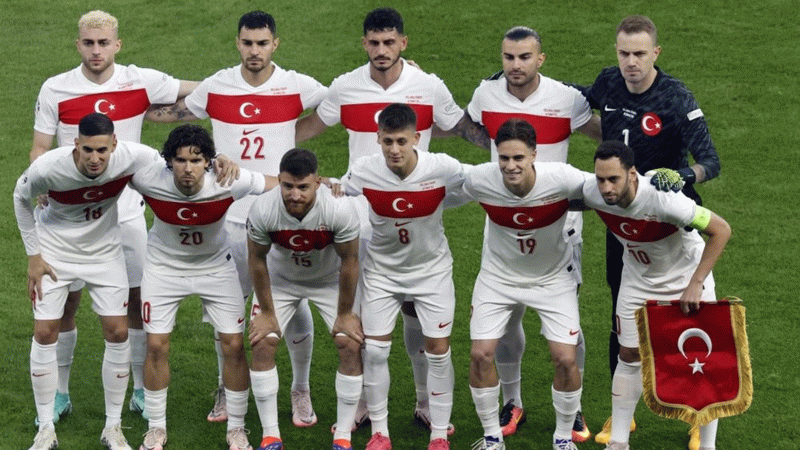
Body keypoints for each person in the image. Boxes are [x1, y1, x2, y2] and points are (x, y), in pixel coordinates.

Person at [295, 7, 485, 434]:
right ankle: (364, 402)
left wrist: (514, 157)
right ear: (364, 43)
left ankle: (425, 402)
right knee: (364, 317)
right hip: (361, 214)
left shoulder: (428, 86)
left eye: (389, 42)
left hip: (415, 212)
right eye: (374, 42)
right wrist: (266, 158)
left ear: (403, 42)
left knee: (417, 311)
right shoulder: (345, 87)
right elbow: (307, 128)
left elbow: (461, 128)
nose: (382, 50)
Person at [145, 10, 325, 425]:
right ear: (237, 43)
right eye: (247, 43)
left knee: (292, 302)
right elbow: (169, 113)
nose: (254, 51)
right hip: (229, 218)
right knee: (228, 310)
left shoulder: (298, 85)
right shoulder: (217, 86)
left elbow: (339, 104)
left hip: (280, 213)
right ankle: (226, 388)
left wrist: (292, 134)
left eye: (262, 43)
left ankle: (300, 388)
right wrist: (129, 98)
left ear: (275, 44)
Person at [31, 10, 197, 421]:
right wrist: (40, 186)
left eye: (103, 43)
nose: (96, 51)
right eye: (89, 43)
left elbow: (198, 90)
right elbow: (40, 147)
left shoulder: (140, 81)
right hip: (69, 220)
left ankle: (140, 388)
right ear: (78, 44)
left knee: (135, 300)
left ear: (117, 45)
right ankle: (60, 393)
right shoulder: (55, 88)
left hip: (125, 214)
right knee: (65, 304)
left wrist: (239, 91)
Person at [578, 15, 721, 446]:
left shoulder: (676, 98)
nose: (631, 62)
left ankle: (698, 416)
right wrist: (516, 80)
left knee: (690, 328)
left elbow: (710, 161)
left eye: (640, 53)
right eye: (624, 53)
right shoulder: (609, 83)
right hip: (624, 222)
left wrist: (682, 176)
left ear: (655, 53)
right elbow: (571, 99)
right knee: (622, 322)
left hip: (668, 215)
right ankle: (623, 416)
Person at [466, 26, 601, 440]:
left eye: (525, 57)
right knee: (506, 321)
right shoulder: (486, 95)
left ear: (540, 59)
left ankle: (574, 408)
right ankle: (513, 401)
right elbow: (467, 128)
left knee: (568, 325)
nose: (516, 65)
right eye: (508, 57)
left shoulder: (567, 99)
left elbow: (604, 134)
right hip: (504, 228)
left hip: (561, 230)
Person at [14, 113, 162, 450]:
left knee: (118, 331)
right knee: (44, 331)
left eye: (102, 151)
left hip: (104, 254)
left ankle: (113, 427)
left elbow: (172, 165)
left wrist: (217, 162)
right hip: (55, 253)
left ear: (114, 145)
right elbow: (19, 198)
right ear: (76, 144)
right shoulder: (49, 168)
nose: (95, 158)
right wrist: (34, 256)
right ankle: (45, 429)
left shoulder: (132, 157)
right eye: (88, 150)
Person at [132, 124, 275, 450]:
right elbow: (105, 173)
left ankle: (236, 429)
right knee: (156, 346)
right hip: (163, 269)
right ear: (168, 162)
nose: (188, 168)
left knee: (233, 346)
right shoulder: (148, 178)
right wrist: (48, 189)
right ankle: (155, 429)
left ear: (209, 162)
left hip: (215, 268)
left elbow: (280, 184)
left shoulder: (229, 180)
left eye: (196, 160)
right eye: (180, 160)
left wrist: (326, 186)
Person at [583, 141, 730, 450]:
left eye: (613, 179)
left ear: (632, 174)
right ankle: (618, 443)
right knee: (628, 354)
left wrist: (696, 283)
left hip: (687, 279)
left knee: (701, 358)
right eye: (600, 179)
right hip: (638, 282)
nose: (606, 188)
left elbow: (721, 230)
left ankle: (708, 445)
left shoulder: (665, 200)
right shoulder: (592, 193)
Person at [340, 104, 468, 450]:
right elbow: (337, 193)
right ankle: (380, 432)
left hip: (432, 272)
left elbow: (480, 182)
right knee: (375, 352)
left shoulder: (443, 168)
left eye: (401, 141)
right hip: (382, 273)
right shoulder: (363, 171)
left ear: (416, 138)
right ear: (377, 138)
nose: (394, 150)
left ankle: (438, 435)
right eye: (387, 141)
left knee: (438, 352)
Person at [463, 119, 587, 450]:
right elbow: (436, 185)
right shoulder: (480, 179)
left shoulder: (563, 178)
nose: (510, 166)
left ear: (534, 154)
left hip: (552, 278)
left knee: (566, 359)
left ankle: (563, 439)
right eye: (504, 158)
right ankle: (492, 439)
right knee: (480, 354)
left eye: (518, 158)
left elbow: (608, 189)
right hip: (498, 277)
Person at [245, 149, 363, 450]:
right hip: (282, 280)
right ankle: (270, 436)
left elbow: (350, 261)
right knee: (262, 342)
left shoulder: (338, 208)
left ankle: (343, 437)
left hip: (328, 280)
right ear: (279, 181)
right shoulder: (263, 208)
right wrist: (267, 313)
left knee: (349, 343)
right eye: (287, 186)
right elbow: (256, 260)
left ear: (318, 183)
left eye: (303, 187)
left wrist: (345, 314)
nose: (294, 194)